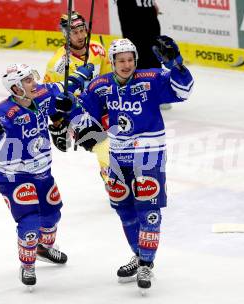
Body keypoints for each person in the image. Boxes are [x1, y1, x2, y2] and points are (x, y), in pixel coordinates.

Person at [64, 36, 193, 291]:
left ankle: (146, 262)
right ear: (112, 62)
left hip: (148, 153)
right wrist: (69, 105)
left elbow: (183, 90)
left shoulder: (152, 79)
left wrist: (177, 65)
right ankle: (139, 254)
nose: (126, 64)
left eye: (130, 59)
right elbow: (80, 112)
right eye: (121, 60)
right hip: (117, 155)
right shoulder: (101, 85)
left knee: (149, 210)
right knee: (124, 210)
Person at [0, 63, 93, 289]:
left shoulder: (42, 94)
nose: (34, 83)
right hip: (14, 177)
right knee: (30, 222)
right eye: (28, 80)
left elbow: (64, 90)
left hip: (42, 173)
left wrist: (71, 98)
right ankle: (27, 264)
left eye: (32, 78)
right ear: (15, 88)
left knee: (52, 215)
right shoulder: (3, 113)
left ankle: (42, 249)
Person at [44, 11, 111, 185]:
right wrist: (57, 123)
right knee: (101, 144)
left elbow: (110, 78)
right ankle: (110, 176)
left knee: (120, 140)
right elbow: (49, 97)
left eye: (82, 30)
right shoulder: (57, 64)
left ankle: (118, 173)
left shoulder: (98, 50)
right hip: (76, 113)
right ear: (66, 34)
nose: (81, 36)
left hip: (102, 105)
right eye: (75, 32)